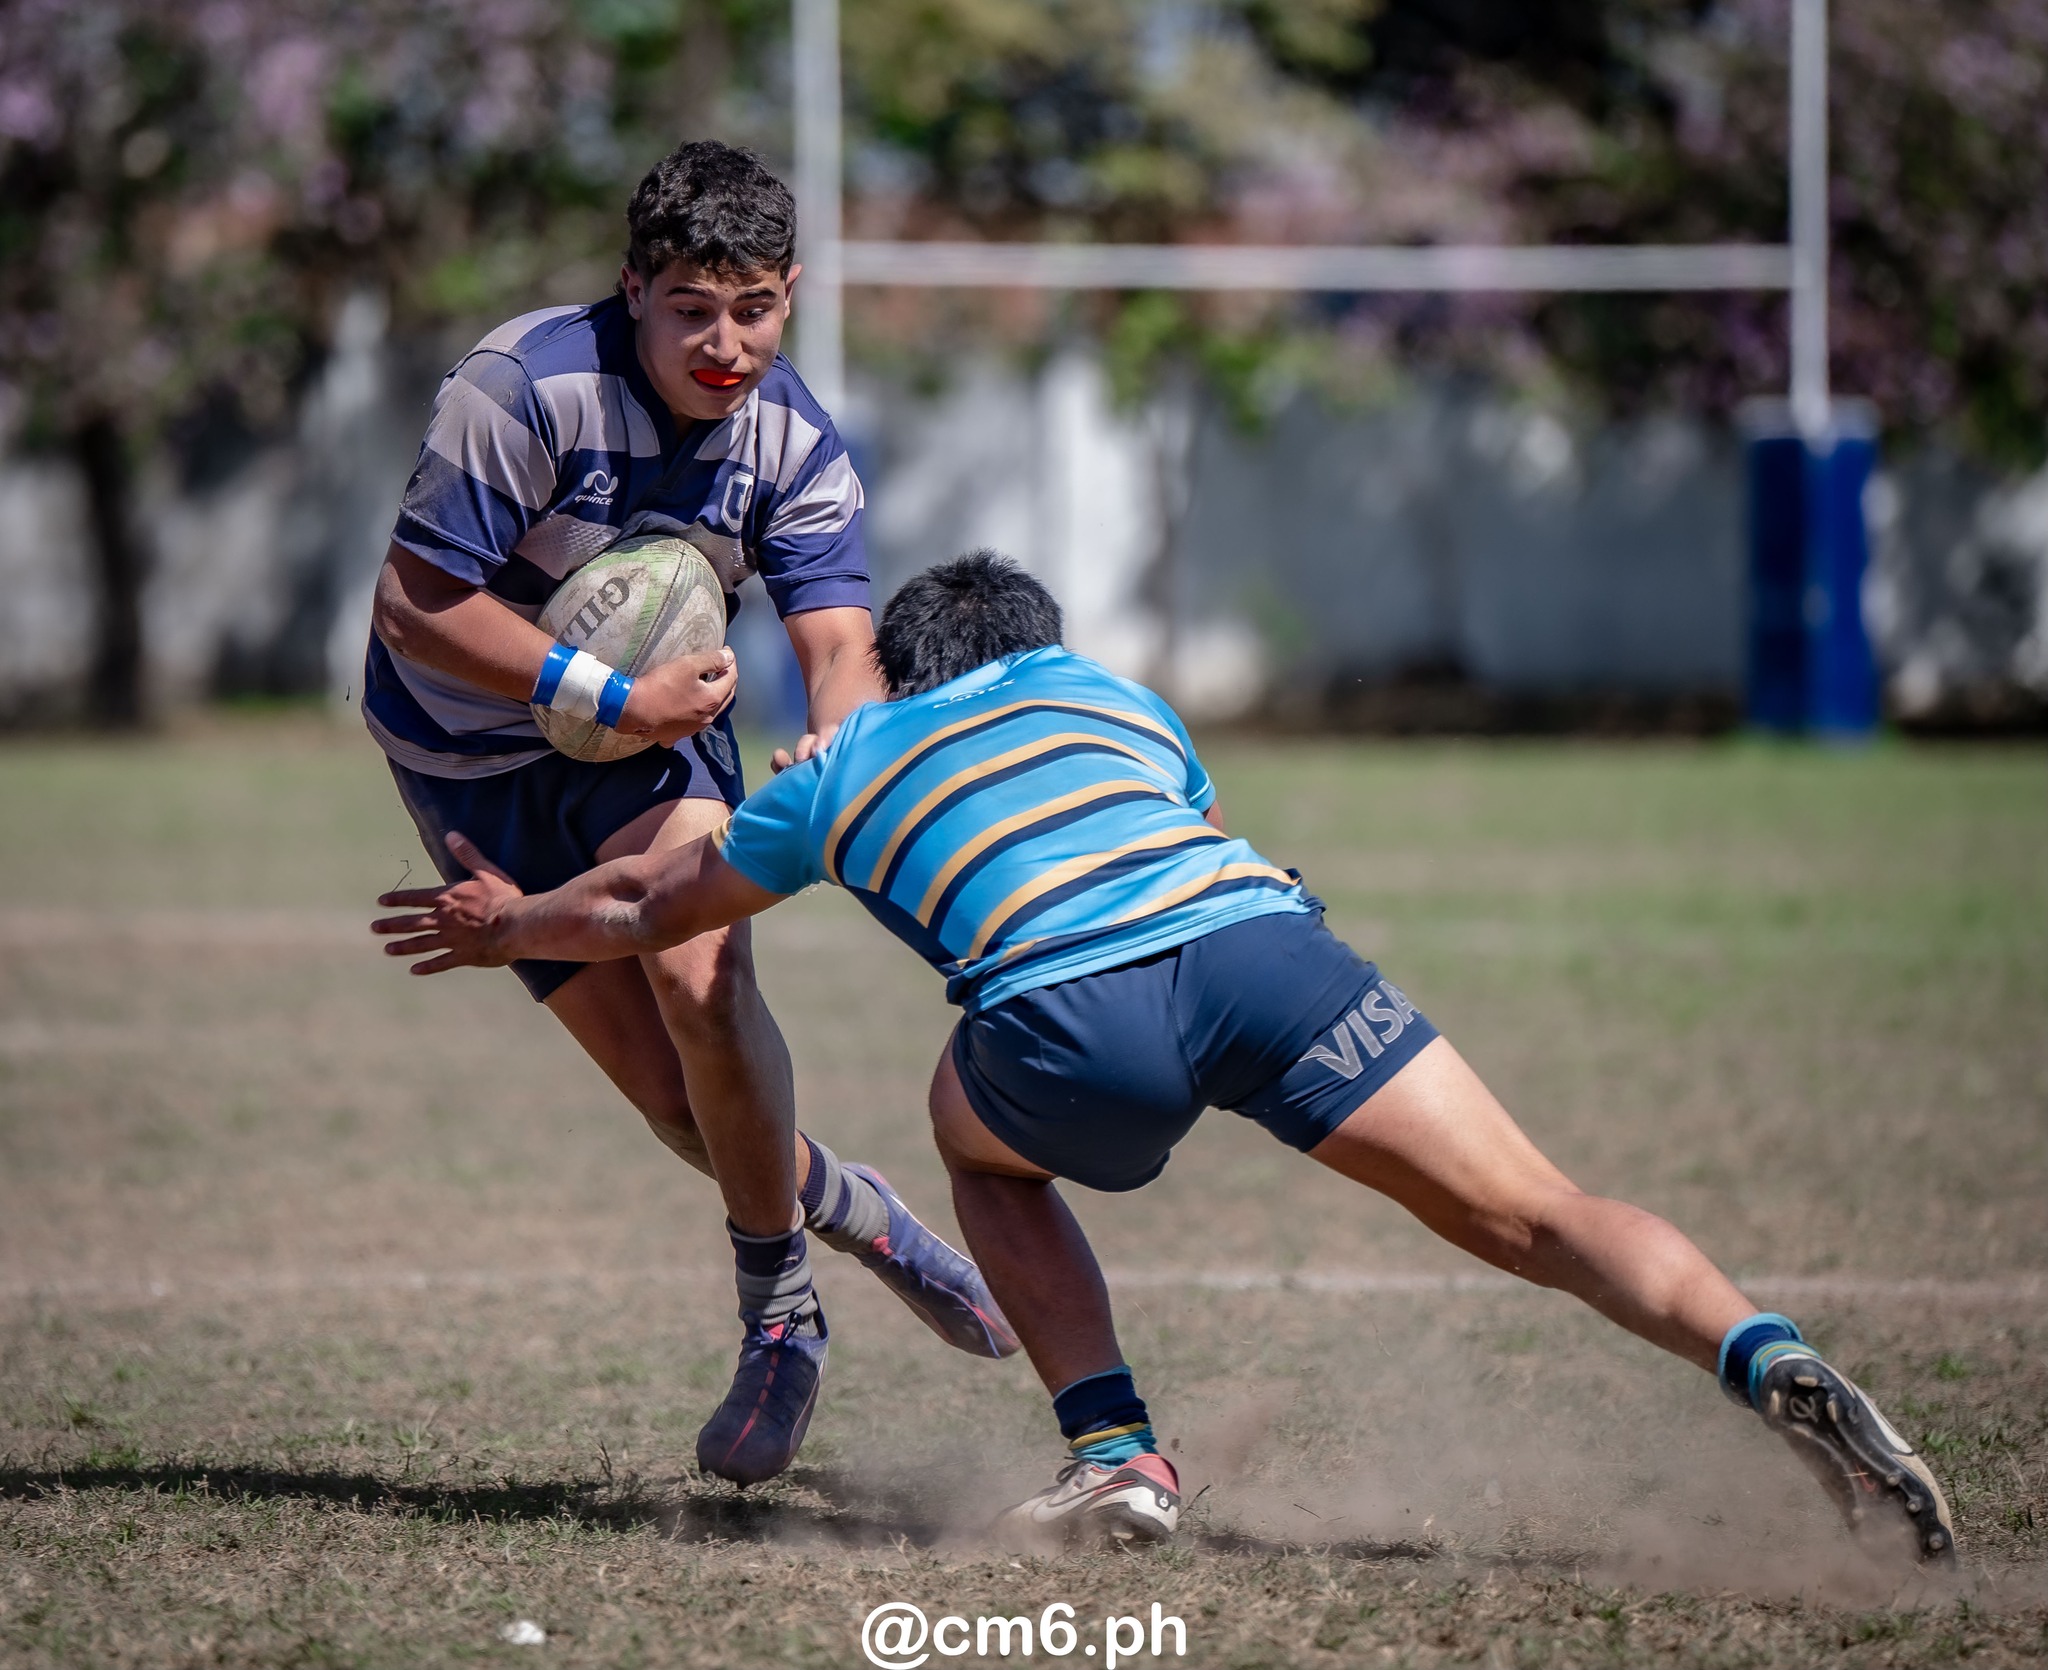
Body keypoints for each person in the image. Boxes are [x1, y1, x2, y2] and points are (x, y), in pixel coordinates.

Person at [370, 552, 1957, 1567]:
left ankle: (1115, 1453)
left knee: (972, 1136)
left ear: (908, 668)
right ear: (1037, 647)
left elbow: (654, 898)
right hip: (1269, 950)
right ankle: (1763, 1350)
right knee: (1537, 1208)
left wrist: (511, 925)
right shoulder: (1122, 699)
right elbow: (1175, 837)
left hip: (1074, 1015)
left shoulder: (845, 760)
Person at [361, 140, 1015, 1489]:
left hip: (650, 752)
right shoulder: (522, 390)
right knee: (677, 1106)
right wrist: (600, 686)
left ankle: (776, 1313)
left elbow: (840, 639)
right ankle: (855, 1213)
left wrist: (840, 732)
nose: (729, 344)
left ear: (791, 295)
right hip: (470, 755)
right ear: (633, 290)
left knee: (702, 983)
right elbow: (413, 606)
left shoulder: (793, 440)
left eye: (758, 307)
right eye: (693, 310)